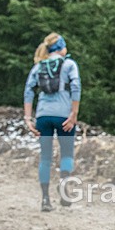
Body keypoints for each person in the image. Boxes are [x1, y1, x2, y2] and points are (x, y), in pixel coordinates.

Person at [23, 32, 81, 212]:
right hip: (64, 115)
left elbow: (28, 91)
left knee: (45, 157)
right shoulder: (69, 64)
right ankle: (64, 193)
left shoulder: (38, 66)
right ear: (62, 47)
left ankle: (45, 200)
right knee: (67, 154)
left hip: (43, 115)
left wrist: (27, 118)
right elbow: (76, 87)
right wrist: (74, 113)